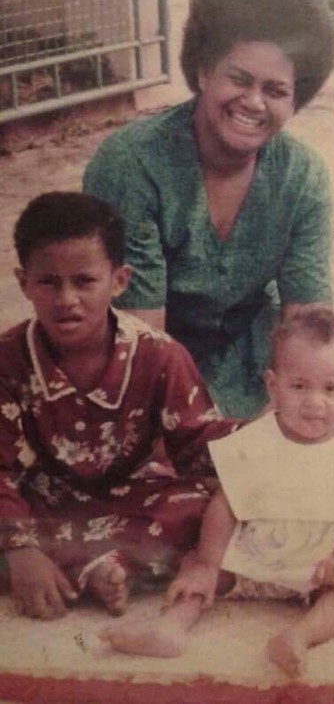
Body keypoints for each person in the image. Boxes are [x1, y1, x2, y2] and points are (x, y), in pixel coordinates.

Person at [83, 0, 334, 419]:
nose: (254, 102)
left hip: (254, 363)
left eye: (275, 90)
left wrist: (291, 417)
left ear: (296, 101)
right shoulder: (131, 163)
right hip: (141, 365)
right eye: (239, 79)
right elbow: (141, 337)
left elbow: (307, 327)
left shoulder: (304, 177)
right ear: (203, 71)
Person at [101, 306, 334, 677]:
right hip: (257, 550)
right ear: (273, 386)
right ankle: (172, 628)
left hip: (321, 558)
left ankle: (299, 636)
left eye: (330, 388)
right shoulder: (254, 440)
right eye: (299, 386)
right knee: (196, 562)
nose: (314, 401)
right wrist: (210, 564)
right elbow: (226, 504)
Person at [0, 192, 237, 621]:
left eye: (85, 281)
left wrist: (271, 441)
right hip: (40, 507)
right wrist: (20, 550)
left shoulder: (158, 355)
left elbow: (198, 444)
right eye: (48, 282)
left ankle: (95, 567)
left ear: (119, 280)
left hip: (133, 502)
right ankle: (74, 567)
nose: (66, 298)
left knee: (202, 511)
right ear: (24, 283)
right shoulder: (7, 360)